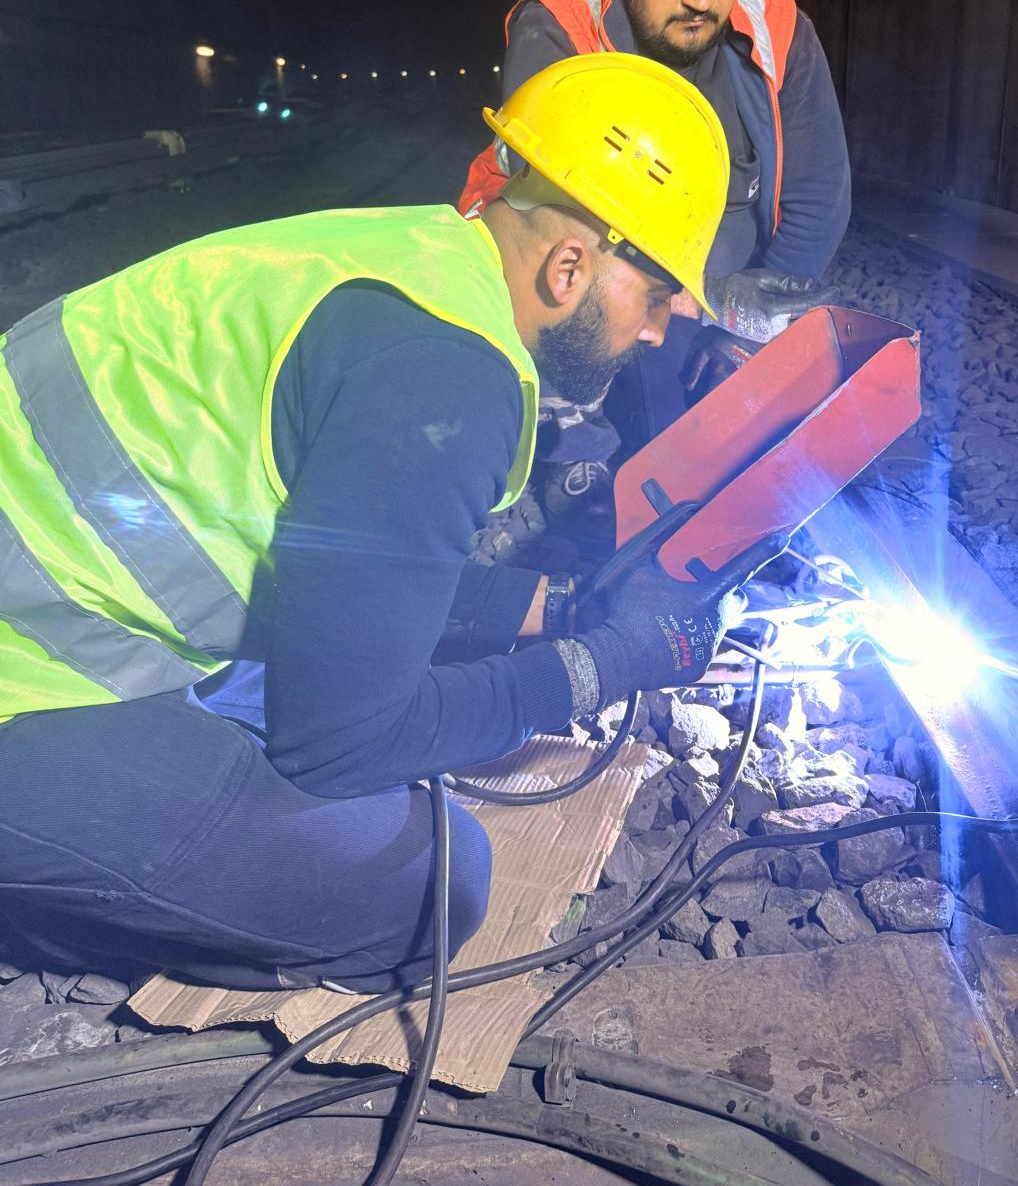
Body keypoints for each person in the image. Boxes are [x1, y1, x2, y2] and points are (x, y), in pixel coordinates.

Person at [0, 54, 773, 996]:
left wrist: (571, 605)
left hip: (39, 611)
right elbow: (339, 744)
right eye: (655, 295)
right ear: (572, 265)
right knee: (431, 887)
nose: (657, 330)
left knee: (355, 689)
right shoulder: (447, 378)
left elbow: (347, 562)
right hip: (21, 690)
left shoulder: (409, 262)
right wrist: (607, 663)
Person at [459, 0, 851, 491]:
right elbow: (562, 244)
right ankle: (569, 443)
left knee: (772, 436)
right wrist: (692, 306)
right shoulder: (562, 22)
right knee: (633, 422)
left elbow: (819, 197)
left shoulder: (776, 24)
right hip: (604, 282)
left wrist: (742, 332)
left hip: (716, 289)